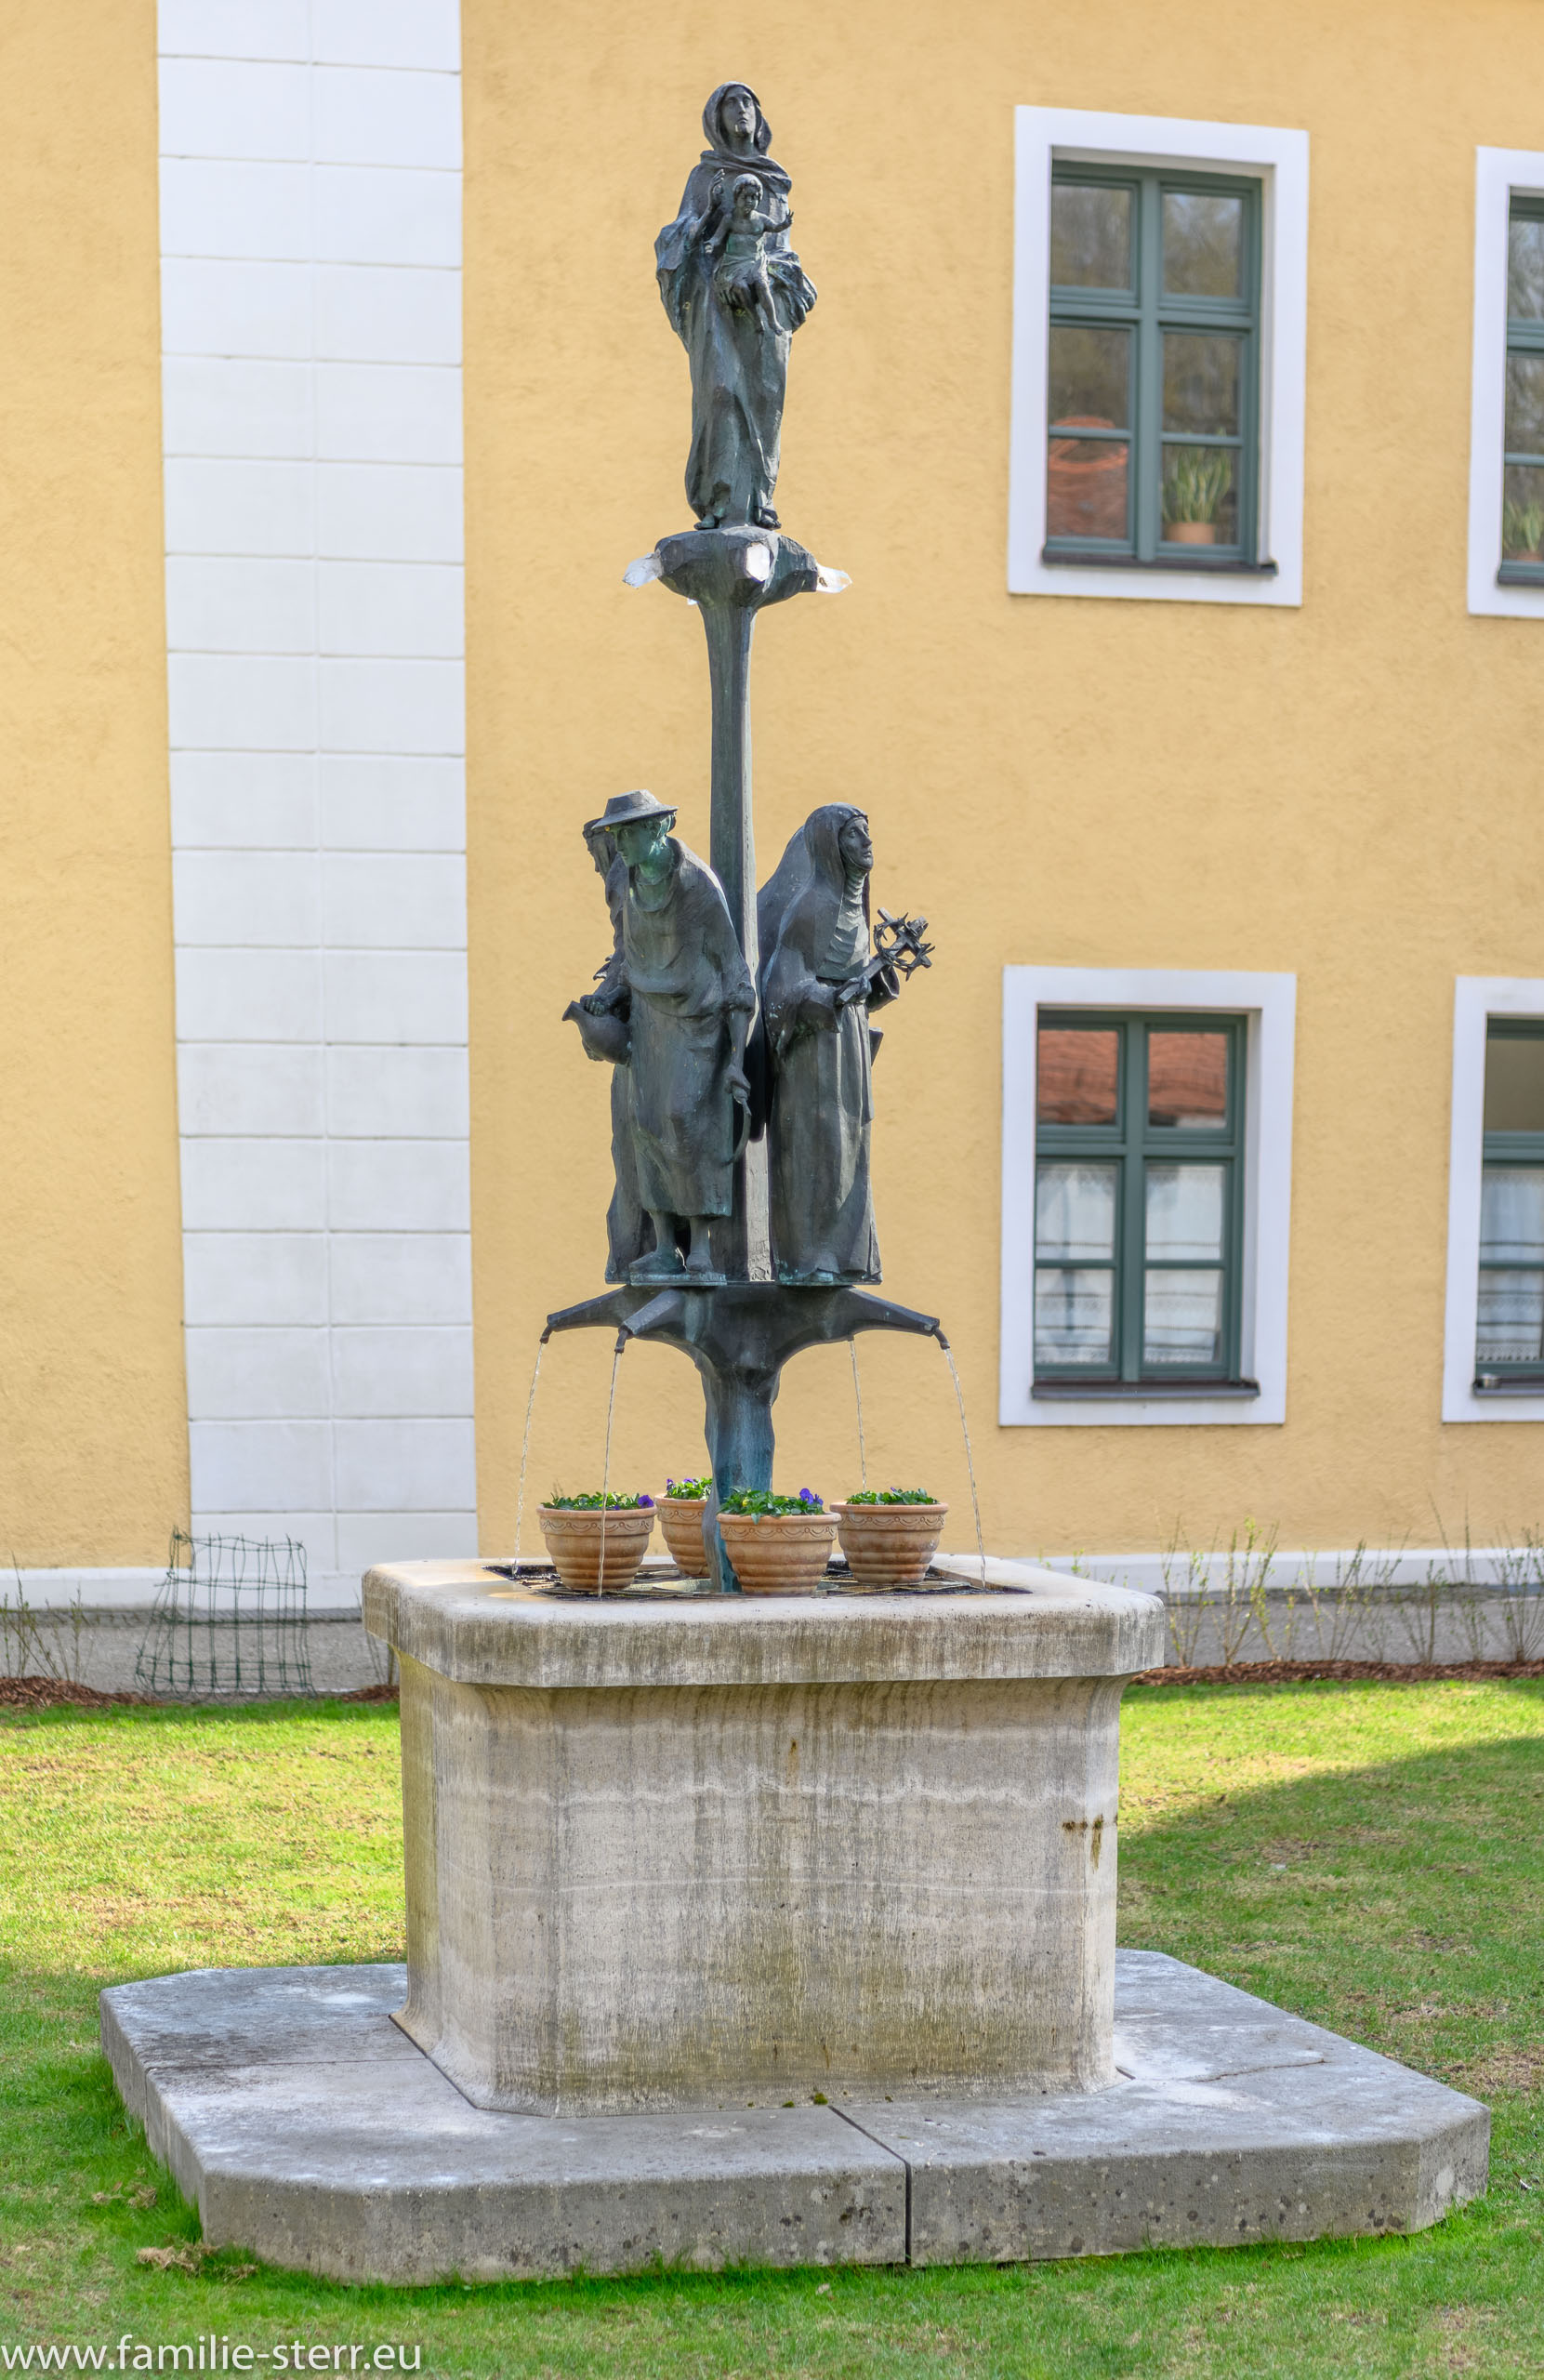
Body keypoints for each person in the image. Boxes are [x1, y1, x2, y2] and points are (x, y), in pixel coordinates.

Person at [578, 791, 754, 1284]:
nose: (620, 843)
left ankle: (700, 1245)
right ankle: (662, 1246)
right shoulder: (628, 883)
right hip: (650, 1021)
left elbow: (736, 974)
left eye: (629, 832)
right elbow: (628, 957)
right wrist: (606, 998)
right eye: (617, 834)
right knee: (648, 1125)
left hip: (698, 1022)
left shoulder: (695, 884)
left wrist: (737, 1057)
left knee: (688, 1122)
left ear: (661, 828)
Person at [654, 84, 817, 531]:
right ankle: (718, 503)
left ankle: (759, 499)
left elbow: (781, 247)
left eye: (748, 103)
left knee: (766, 400)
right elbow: (681, 239)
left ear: (759, 117)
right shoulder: (705, 177)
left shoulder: (776, 181)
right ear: (716, 117)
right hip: (714, 300)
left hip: (766, 304)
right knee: (721, 393)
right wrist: (709, 217)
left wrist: (771, 281)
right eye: (731, 103)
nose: (741, 110)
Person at [757, 805, 901, 1286]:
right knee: (817, 1145)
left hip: (851, 1048)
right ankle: (811, 1256)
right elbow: (780, 987)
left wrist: (871, 984)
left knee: (852, 1144)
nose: (866, 843)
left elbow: (862, 979)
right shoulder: (811, 907)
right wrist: (824, 997)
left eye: (867, 833)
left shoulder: (855, 910)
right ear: (830, 847)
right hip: (813, 1053)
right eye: (854, 836)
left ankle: (848, 1256)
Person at [562, 820, 648, 1282]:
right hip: (645, 1040)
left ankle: (638, 1253)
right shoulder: (635, 876)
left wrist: (608, 995)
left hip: (650, 1043)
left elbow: (631, 948)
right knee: (633, 1154)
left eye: (598, 853)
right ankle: (636, 1252)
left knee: (637, 1152)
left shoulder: (623, 876)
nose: (598, 866)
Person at [706, 173, 784, 337]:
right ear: (736, 197)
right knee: (740, 287)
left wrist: (785, 224)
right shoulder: (729, 219)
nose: (749, 201)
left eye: (754, 197)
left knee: (762, 286)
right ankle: (755, 317)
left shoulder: (761, 219)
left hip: (755, 261)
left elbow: (775, 227)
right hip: (734, 263)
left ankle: (773, 321)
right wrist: (710, 245)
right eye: (745, 196)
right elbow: (717, 238)